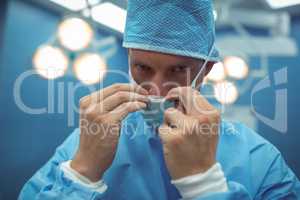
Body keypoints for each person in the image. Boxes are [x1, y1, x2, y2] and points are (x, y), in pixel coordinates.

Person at [19, 0, 300, 199]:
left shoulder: (260, 161)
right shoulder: (86, 143)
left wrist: (205, 186)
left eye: (178, 70)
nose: (156, 90)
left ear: (205, 72)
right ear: (128, 59)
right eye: (142, 68)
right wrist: (80, 175)